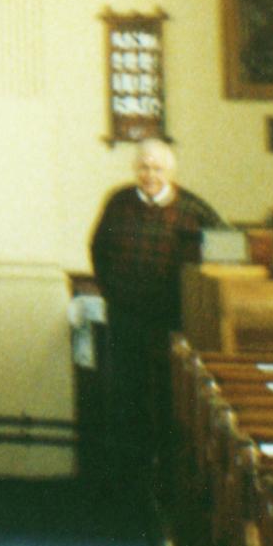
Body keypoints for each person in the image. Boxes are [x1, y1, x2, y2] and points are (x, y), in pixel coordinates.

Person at [88, 138, 220, 495]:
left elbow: (222, 253)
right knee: (123, 397)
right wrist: (112, 291)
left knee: (168, 399)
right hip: (125, 317)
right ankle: (123, 485)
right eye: (143, 167)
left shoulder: (194, 210)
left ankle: (167, 485)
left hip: (170, 322)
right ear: (135, 170)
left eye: (157, 168)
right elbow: (98, 249)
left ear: (171, 172)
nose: (149, 175)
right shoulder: (118, 203)